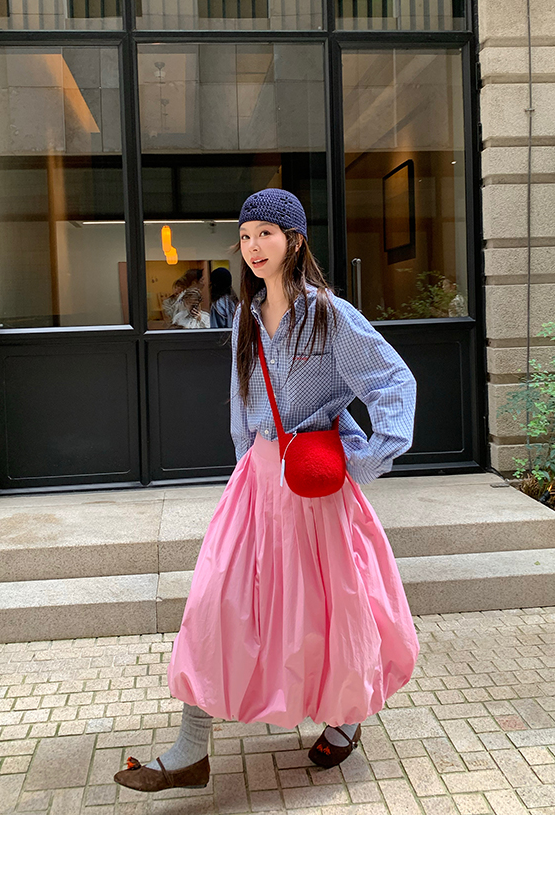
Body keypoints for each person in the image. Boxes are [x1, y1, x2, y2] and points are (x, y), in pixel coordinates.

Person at [115, 188, 419, 793]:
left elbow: (394, 382)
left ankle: (344, 717)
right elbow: (241, 401)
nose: (253, 247)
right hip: (258, 482)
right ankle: (191, 750)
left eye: (266, 234)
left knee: (326, 609)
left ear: (295, 240)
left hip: (313, 487)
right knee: (216, 601)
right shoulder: (244, 317)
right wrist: (244, 471)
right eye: (246, 235)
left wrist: (361, 463)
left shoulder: (330, 315)